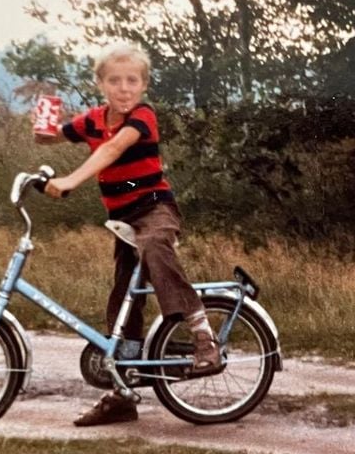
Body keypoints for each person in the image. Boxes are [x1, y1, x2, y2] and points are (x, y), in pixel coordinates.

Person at [36, 43, 221, 426]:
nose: (124, 88)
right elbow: (55, 136)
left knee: (156, 246)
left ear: (143, 85)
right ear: (100, 84)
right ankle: (123, 392)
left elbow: (113, 149)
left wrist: (69, 180)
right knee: (122, 299)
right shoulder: (92, 120)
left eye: (132, 81)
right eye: (114, 81)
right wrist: (43, 126)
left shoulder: (143, 116)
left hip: (154, 209)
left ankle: (205, 338)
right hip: (122, 219)